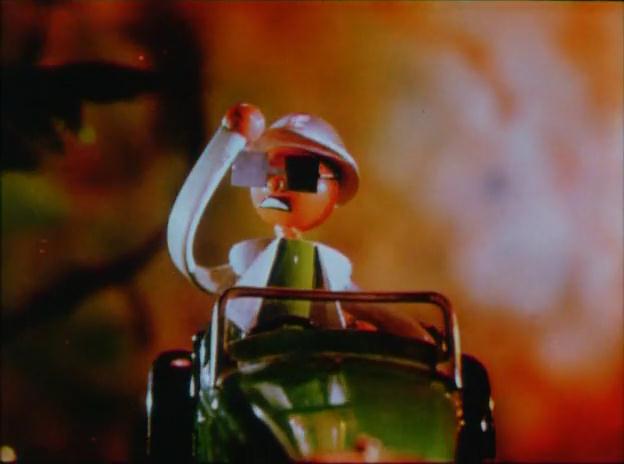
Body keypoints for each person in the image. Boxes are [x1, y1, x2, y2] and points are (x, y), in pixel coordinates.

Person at [167, 103, 359, 333]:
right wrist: (227, 143)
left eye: (299, 173)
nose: (273, 185)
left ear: (334, 188)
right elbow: (201, 274)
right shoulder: (248, 258)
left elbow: (368, 307)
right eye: (263, 171)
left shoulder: (332, 267)